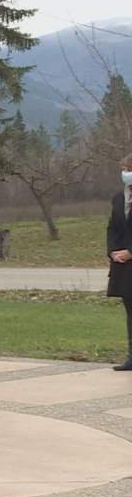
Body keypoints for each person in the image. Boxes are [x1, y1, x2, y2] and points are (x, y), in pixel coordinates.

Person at [107, 154, 132, 371]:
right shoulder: (118, 198)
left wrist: (130, 251)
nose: (125, 172)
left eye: (128, 168)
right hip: (124, 267)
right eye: (123, 168)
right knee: (130, 312)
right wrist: (113, 251)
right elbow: (113, 228)